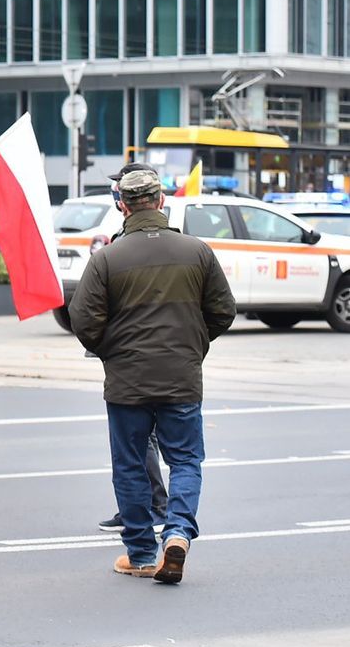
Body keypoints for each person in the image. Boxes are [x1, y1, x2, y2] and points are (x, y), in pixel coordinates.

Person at [69, 166, 235, 584]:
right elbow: (223, 311)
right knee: (184, 460)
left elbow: (83, 321)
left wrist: (113, 352)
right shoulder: (197, 251)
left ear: (122, 205)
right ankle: (177, 533)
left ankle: (142, 553)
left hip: (127, 383)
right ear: (161, 202)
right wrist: (192, 347)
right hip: (181, 377)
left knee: (129, 465)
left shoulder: (107, 257)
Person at [94, 164, 171, 534]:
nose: (116, 195)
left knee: (141, 443)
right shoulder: (121, 238)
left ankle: (152, 508)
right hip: (146, 357)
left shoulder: (159, 241)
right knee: (142, 443)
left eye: (119, 189)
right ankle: (140, 508)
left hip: (142, 359)